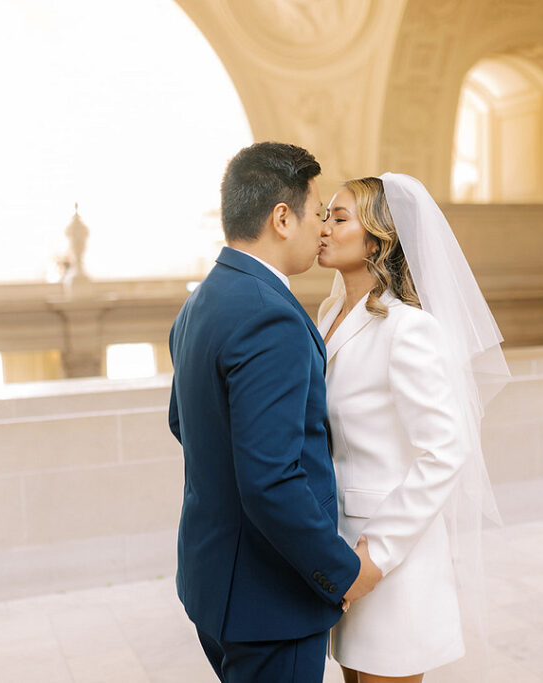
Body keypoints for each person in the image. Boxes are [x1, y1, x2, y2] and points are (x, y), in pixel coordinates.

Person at [168, 142, 383, 683]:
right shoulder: (272, 317)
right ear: (281, 218)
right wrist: (343, 572)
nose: (323, 230)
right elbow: (271, 479)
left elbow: (183, 422)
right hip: (269, 602)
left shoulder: (202, 300)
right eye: (317, 214)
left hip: (212, 581)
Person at [317, 173, 510, 682]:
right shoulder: (329, 313)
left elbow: (445, 450)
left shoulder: (409, 329)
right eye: (324, 216)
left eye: (338, 219)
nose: (323, 228)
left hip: (391, 558)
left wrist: (375, 557)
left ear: (377, 239)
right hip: (338, 545)